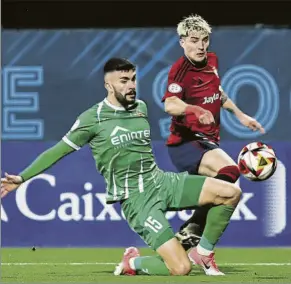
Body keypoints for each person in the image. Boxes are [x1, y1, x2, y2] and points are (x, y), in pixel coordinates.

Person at [1, 58, 242, 276]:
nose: (131, 85)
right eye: (124, 80)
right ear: (108, 85)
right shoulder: (91, 119)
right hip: (137, 200)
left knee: (230, 193)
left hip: (162, 182)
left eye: (134, 79)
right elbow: (57, 151)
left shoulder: (141, 107)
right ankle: (133, 263)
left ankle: (204, 252)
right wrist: (22, 178)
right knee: (180, 269)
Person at [162, 14, 265, 258]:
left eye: (205, 40)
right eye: (194, 40)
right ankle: (195, 228)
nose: (200, 46)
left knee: (226, 182)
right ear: (182, 42)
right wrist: (194, 109)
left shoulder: (212, 60)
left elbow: (218, 93)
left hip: (207, 142)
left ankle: (188, 236)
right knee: (231, 171)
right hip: (186, 143)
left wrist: (241, 115)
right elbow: (171, 105)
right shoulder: (179, 71)